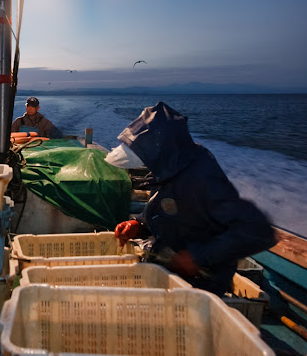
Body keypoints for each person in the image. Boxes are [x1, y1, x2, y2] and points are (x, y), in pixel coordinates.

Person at [110, 102, 276, 295]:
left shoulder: (202, 176)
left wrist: (198, 257)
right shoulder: (168, 168)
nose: (146, 164)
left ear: (161, 151)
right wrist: (138, 224)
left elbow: (258, 230)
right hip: (170, 272)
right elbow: (166, 210)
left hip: (202, 284)